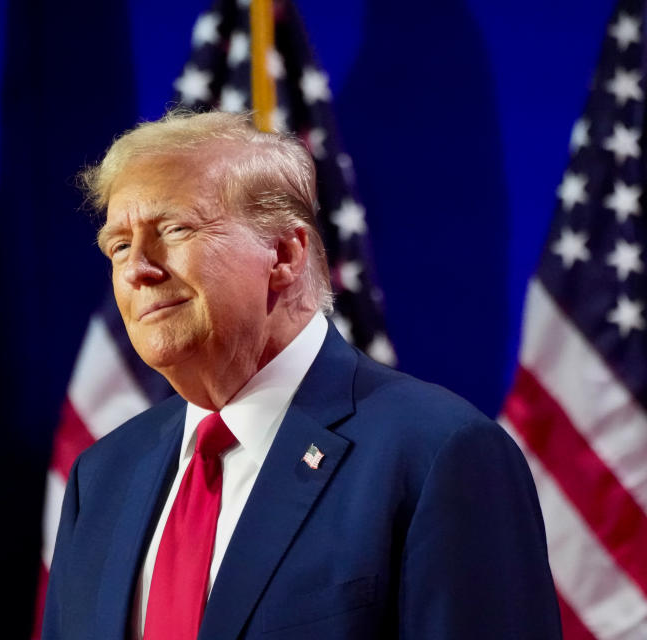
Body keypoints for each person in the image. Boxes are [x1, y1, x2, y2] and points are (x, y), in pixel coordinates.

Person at [41, 110, 561, 639]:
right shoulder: (103, 477)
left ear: (285, 255)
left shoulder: (436, 452)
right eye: (119, 245)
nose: (137, 269)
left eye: (174, 229)